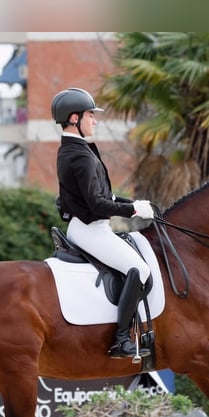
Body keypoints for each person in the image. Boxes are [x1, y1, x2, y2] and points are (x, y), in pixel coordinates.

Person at [51, 87, 154, 360]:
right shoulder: (80, 156)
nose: (94, 120)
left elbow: (103, 196)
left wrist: (133, 203)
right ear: (74, 118)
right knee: (139, 269)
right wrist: (132, 209)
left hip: (87, 225)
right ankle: (121, 340)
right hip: (90, 229)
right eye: (90, 115)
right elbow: (98, 205)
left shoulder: (74, 149)